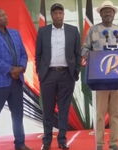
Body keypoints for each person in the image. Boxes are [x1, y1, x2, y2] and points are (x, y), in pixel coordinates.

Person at [81, 1, 118, 150]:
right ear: (100, 14)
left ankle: (114, 143)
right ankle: (99, 144)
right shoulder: (93, 31)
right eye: (105, 11)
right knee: (100, 114)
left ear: (114, 14)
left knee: (116, 113)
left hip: (117, 78)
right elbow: (84, 49)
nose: (108, 14)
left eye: (110, 11)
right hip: (100, 78)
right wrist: (90, 56)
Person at [0, 8, 30, 150]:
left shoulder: (15, 33)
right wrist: (10, 70)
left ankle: (20, 144)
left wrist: (20, 67)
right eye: (1, 15)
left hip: (16, 81)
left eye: (5, 14)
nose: (5, 17)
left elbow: (23, 54)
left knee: (18, 114)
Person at [35, 3, 81, 150]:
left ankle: (62, 140)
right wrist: (40, 72)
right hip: (48, 75)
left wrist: (76, 71)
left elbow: (77, 53)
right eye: (55, 13)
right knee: (47, 109)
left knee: (64, 109)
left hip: (66, 75)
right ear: (51, 15)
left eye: (60, 13)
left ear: (63, 14)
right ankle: (47, 141)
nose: (58, 16)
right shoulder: (43, 31)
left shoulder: (73, 31)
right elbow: (38, 54)